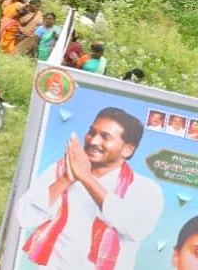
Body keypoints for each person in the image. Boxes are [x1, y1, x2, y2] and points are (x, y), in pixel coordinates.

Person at [17, 107, 163, 270]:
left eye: (105, 137)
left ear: (127, 149)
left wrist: (85, 178)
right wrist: (65, 180)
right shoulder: (60, 170)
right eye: (92, 132)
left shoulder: (144, 189)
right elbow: (24, 217)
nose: (93, 141)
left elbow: (135, 228)